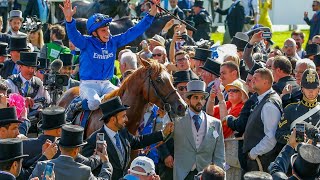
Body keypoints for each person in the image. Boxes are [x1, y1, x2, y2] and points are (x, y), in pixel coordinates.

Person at [60, 0, 160, 111]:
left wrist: (150, 16)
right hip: (88, 85)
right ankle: (76, 106)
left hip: (106, 84)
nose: (107, 33)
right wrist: (69, 20)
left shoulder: (113, 42)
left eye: (107, 29)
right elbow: (74, 36)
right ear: (94, 33)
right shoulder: (85, 43)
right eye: (103, 30)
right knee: (94, 103)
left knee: (124, 99)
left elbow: (134, 31)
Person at [81, 96, 174, 180]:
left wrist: (162, 134)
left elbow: (138, 141)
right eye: (123, 116)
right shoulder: (93, 141)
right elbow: (86, 170)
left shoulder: (122, 132)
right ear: (113, 119)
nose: (127, 119)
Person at [174, 80, 225, 180]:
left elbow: (219, 153)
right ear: (187, 100)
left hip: (205, 174)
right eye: (196, 97)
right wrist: (166, 156)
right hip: (182, 173)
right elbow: (163, 140)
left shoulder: (216, 123)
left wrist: (221, 175)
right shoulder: (177, 121)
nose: (200, 101)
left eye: (202, 98)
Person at [30, 124, 113, 180]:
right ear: (77, 150)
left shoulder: (41, 165)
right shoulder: (84, 171)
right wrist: (106, 162)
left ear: (60, 147)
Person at [242, 68, 282, 172]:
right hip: (258, 159)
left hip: (261, 161)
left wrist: (253, 153)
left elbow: (271, 137)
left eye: (256, 78)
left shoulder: (269, 104)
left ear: (266, 82)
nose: (252, 80)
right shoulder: (263, 99)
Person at [276, 68, 320, 145]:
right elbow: (279, 134)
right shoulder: (290, 109)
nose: (311, 92)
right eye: (307, 88)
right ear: (302, 89)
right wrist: (296, 136)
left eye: (314, 88)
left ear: (318, 90)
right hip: (295, 155)